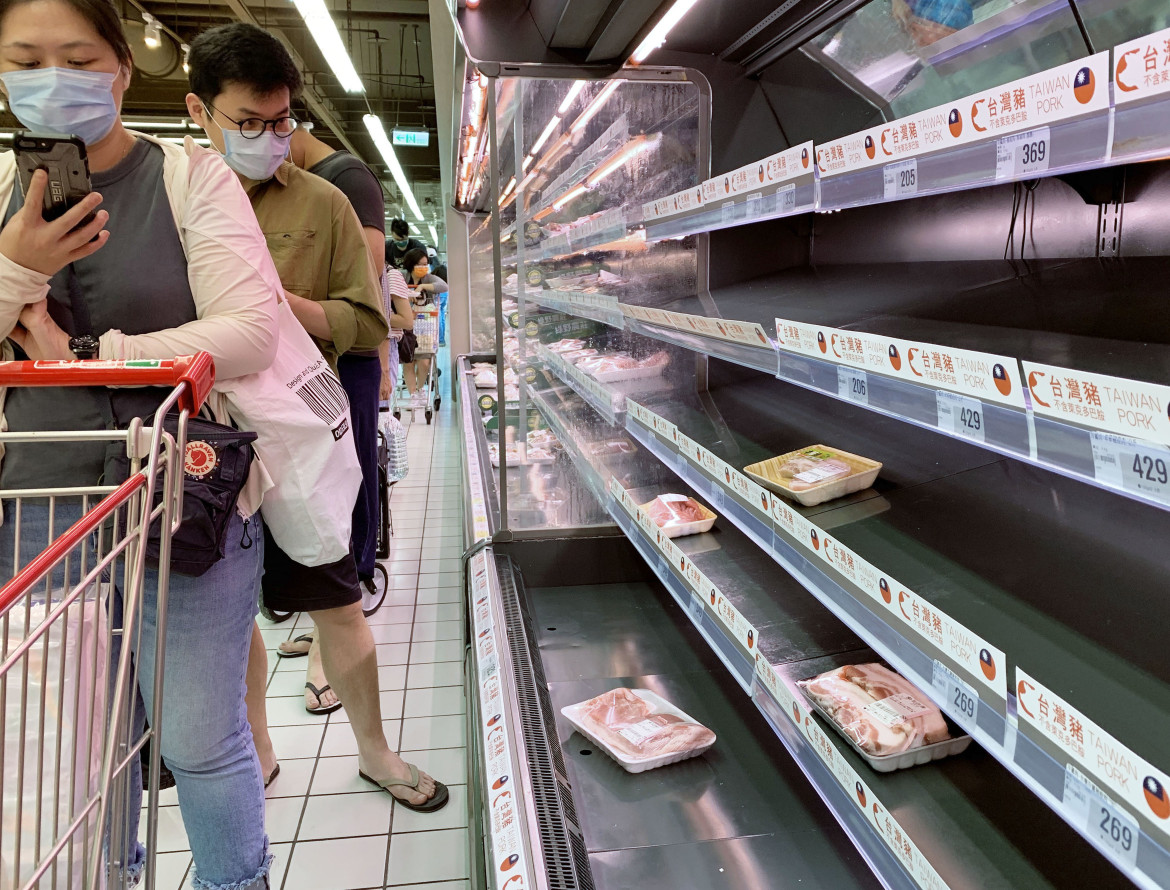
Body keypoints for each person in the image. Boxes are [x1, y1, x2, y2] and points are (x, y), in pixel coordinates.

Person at [0, 1, 285, 886]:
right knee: (81, 752)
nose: (53, 77)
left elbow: (250, 332)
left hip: (184, 497)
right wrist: (15, 267)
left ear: (123, 67)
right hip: (37, 508)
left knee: (200, 738)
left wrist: (87, 355)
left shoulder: (191, 179)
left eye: (78, 57)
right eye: (26, 58)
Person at [186, 22, 447, 814]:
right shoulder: (172, 198)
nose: (271, 138)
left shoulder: (326, 203)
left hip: (300, 446)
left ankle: (376, 753)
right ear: (200, 112)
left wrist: (280, 310)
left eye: (282, 120)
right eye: (249, 123)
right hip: (208, 453)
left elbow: (371, 325)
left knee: (337, 602)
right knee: (230, 616)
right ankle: (258, 751)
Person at [287, 122, 389, 620]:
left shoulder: (344, 176)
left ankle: (352, 581)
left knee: (347, 467)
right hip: (312, 356)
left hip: (346, 354)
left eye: (268, 124)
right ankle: (326, 597)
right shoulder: (297, 182)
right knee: (320, 472)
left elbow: (370, 271)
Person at [400, 246, 448, 409]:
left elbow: (443, 287)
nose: (424, 267)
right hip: (405, 326)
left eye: (426, 264)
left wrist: (421, 287)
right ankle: (413, 394)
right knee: (408, 361)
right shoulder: (402, 277)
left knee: (425, 362)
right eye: (420, 264)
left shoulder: (428, 278)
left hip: (425, 327)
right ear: (411, 265)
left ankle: (421, 389)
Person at [427, 245, 449, 347]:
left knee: (438, 315)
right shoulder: (439, 264)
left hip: (439, 291)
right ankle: (442, 339)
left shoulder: (431, 264)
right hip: (445, 291)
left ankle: (439, 339)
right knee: (442, 314)